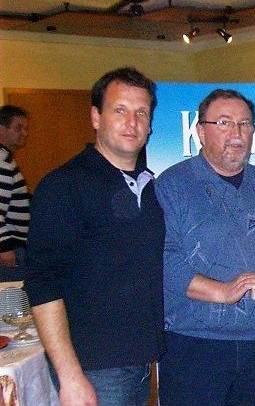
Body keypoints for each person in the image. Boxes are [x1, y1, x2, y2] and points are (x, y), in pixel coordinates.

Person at [155, 88, 255, 406]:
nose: (237, 133)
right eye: (224, 123)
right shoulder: (172, 186)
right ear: (201, 132)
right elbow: (162, 258)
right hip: (194, 342)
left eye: (244, 124)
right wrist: (221, 291)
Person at [24, 67, 165, 406]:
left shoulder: (150, 186)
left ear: (150, 124)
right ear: (96, 117)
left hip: (139, 364)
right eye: (120, 110)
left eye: (141, 113)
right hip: (92, 372)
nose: (131, 122)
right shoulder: (64, 186)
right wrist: (70, 375)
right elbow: (42, 284)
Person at [0, 105, 30, 282]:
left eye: (25, 128)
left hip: (10, 245)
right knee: (12, 297)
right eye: (18, 128)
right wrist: (4, 246)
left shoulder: (6, 160)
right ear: (1, 129)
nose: (24, 133)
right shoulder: (2, 162)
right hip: (8, 248)